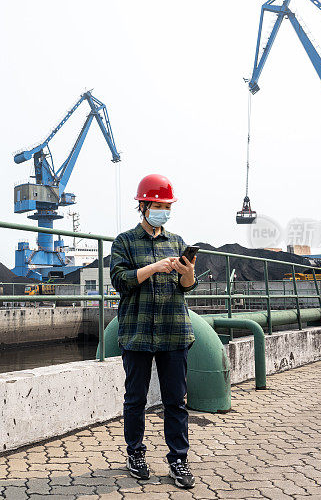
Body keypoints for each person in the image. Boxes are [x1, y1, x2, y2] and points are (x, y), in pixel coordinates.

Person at [109, 173, 198, 489]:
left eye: (167, 206)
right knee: (136, 399)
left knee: (176, 401)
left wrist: (186, 273)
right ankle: (135, 454)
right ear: (143, 206)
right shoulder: (124, 242)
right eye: (158, 205)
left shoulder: (176, 242)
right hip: (138, 334)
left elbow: (187, 287)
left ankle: (178, 461)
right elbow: (120, 281)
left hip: (175, 333)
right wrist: (155, 267)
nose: (163, 210)